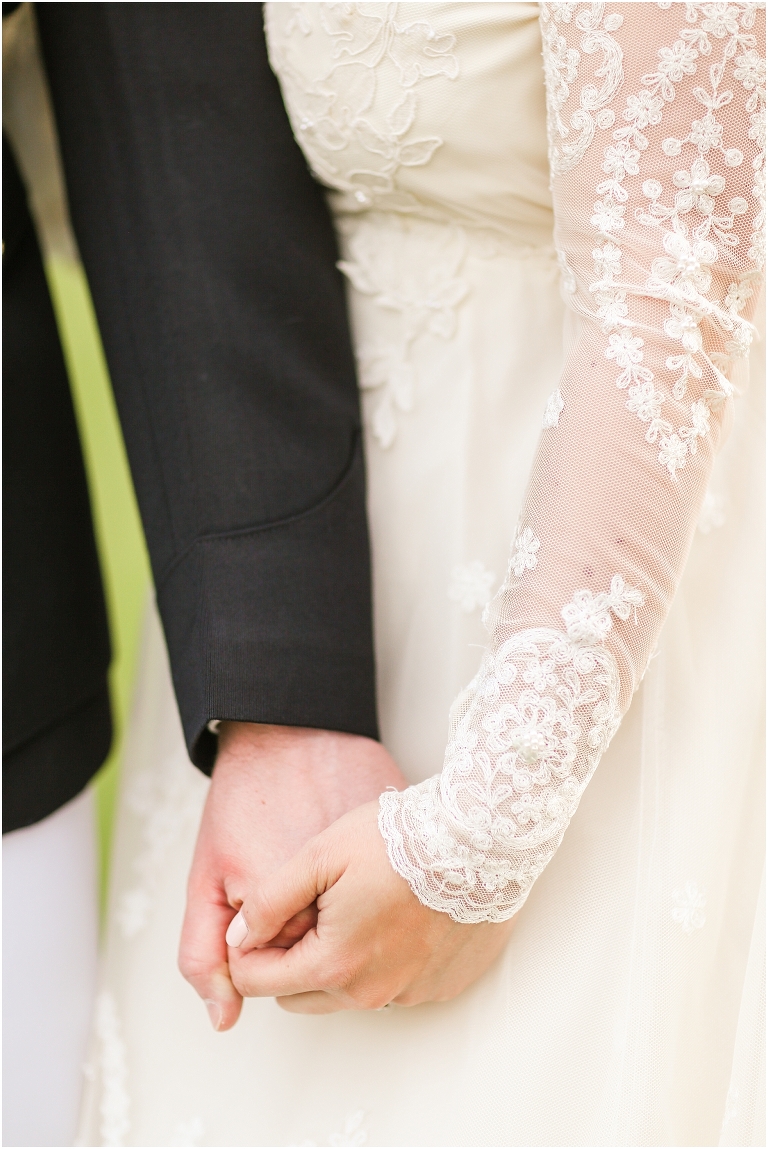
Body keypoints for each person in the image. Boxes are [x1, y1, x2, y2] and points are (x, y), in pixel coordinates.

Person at [48, 3, 768, 1146]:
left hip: (591, 594)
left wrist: (479, 838)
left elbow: (666, 297)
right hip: (302, 541)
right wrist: (263, 667)